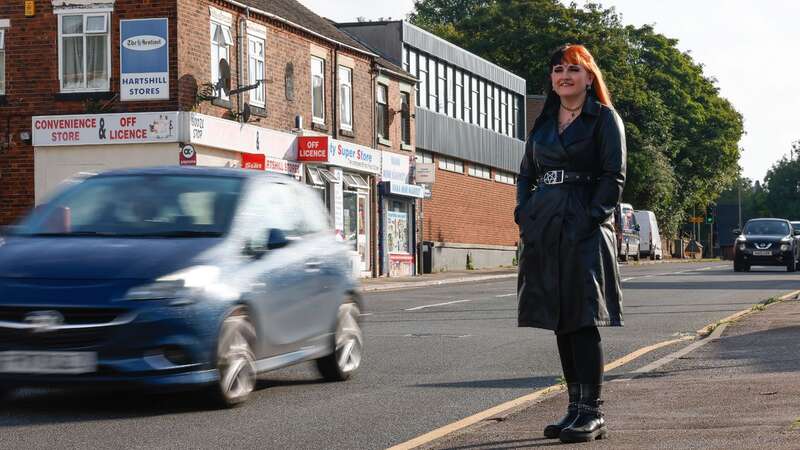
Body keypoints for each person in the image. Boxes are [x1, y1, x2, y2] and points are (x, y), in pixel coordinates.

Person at [515, 44, 626, 443]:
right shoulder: (544, 123)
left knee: (581, 319)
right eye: (558, 69)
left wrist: (590, 218)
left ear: (589, 76)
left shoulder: (604, 119)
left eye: (573, 70)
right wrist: (524, 214)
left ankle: (593, 413)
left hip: (584, 227)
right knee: (560, 320)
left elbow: (614, 176)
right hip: (544, 225)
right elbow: (526, 173)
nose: (565, 76)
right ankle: (574, 408)